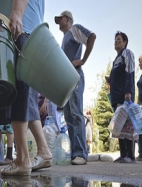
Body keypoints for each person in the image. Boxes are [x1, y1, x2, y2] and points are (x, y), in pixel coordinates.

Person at [0, 0, 52, 176]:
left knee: (17, 94)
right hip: (32, 34)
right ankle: (44, 151)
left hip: (20, 29)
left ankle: (22, 159)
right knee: (27, 99)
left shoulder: (19, 18)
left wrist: (17, 13)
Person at [54, 10, 96, 165]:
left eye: (60, 19)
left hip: (75, 75)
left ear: (68, 19)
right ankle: (74, 154)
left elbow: (92, 37)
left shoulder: (74, 29)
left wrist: (82, 60)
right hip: (66, 80)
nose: (59, 22)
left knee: (76, 114)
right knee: (69, 117)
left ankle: (81, 154)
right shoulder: (65, 38)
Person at [108, 31, 135, 163]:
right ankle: (123, 154)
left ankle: (130, 155)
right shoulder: (117, 58)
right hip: (117, 97)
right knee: (119, 126)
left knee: (127, 125)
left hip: (125, 96)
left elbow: (129, 71)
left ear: (124, 42)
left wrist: (128, 92)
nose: (116, 41)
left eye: (119, 39)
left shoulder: (127, 53)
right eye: (115, 40)